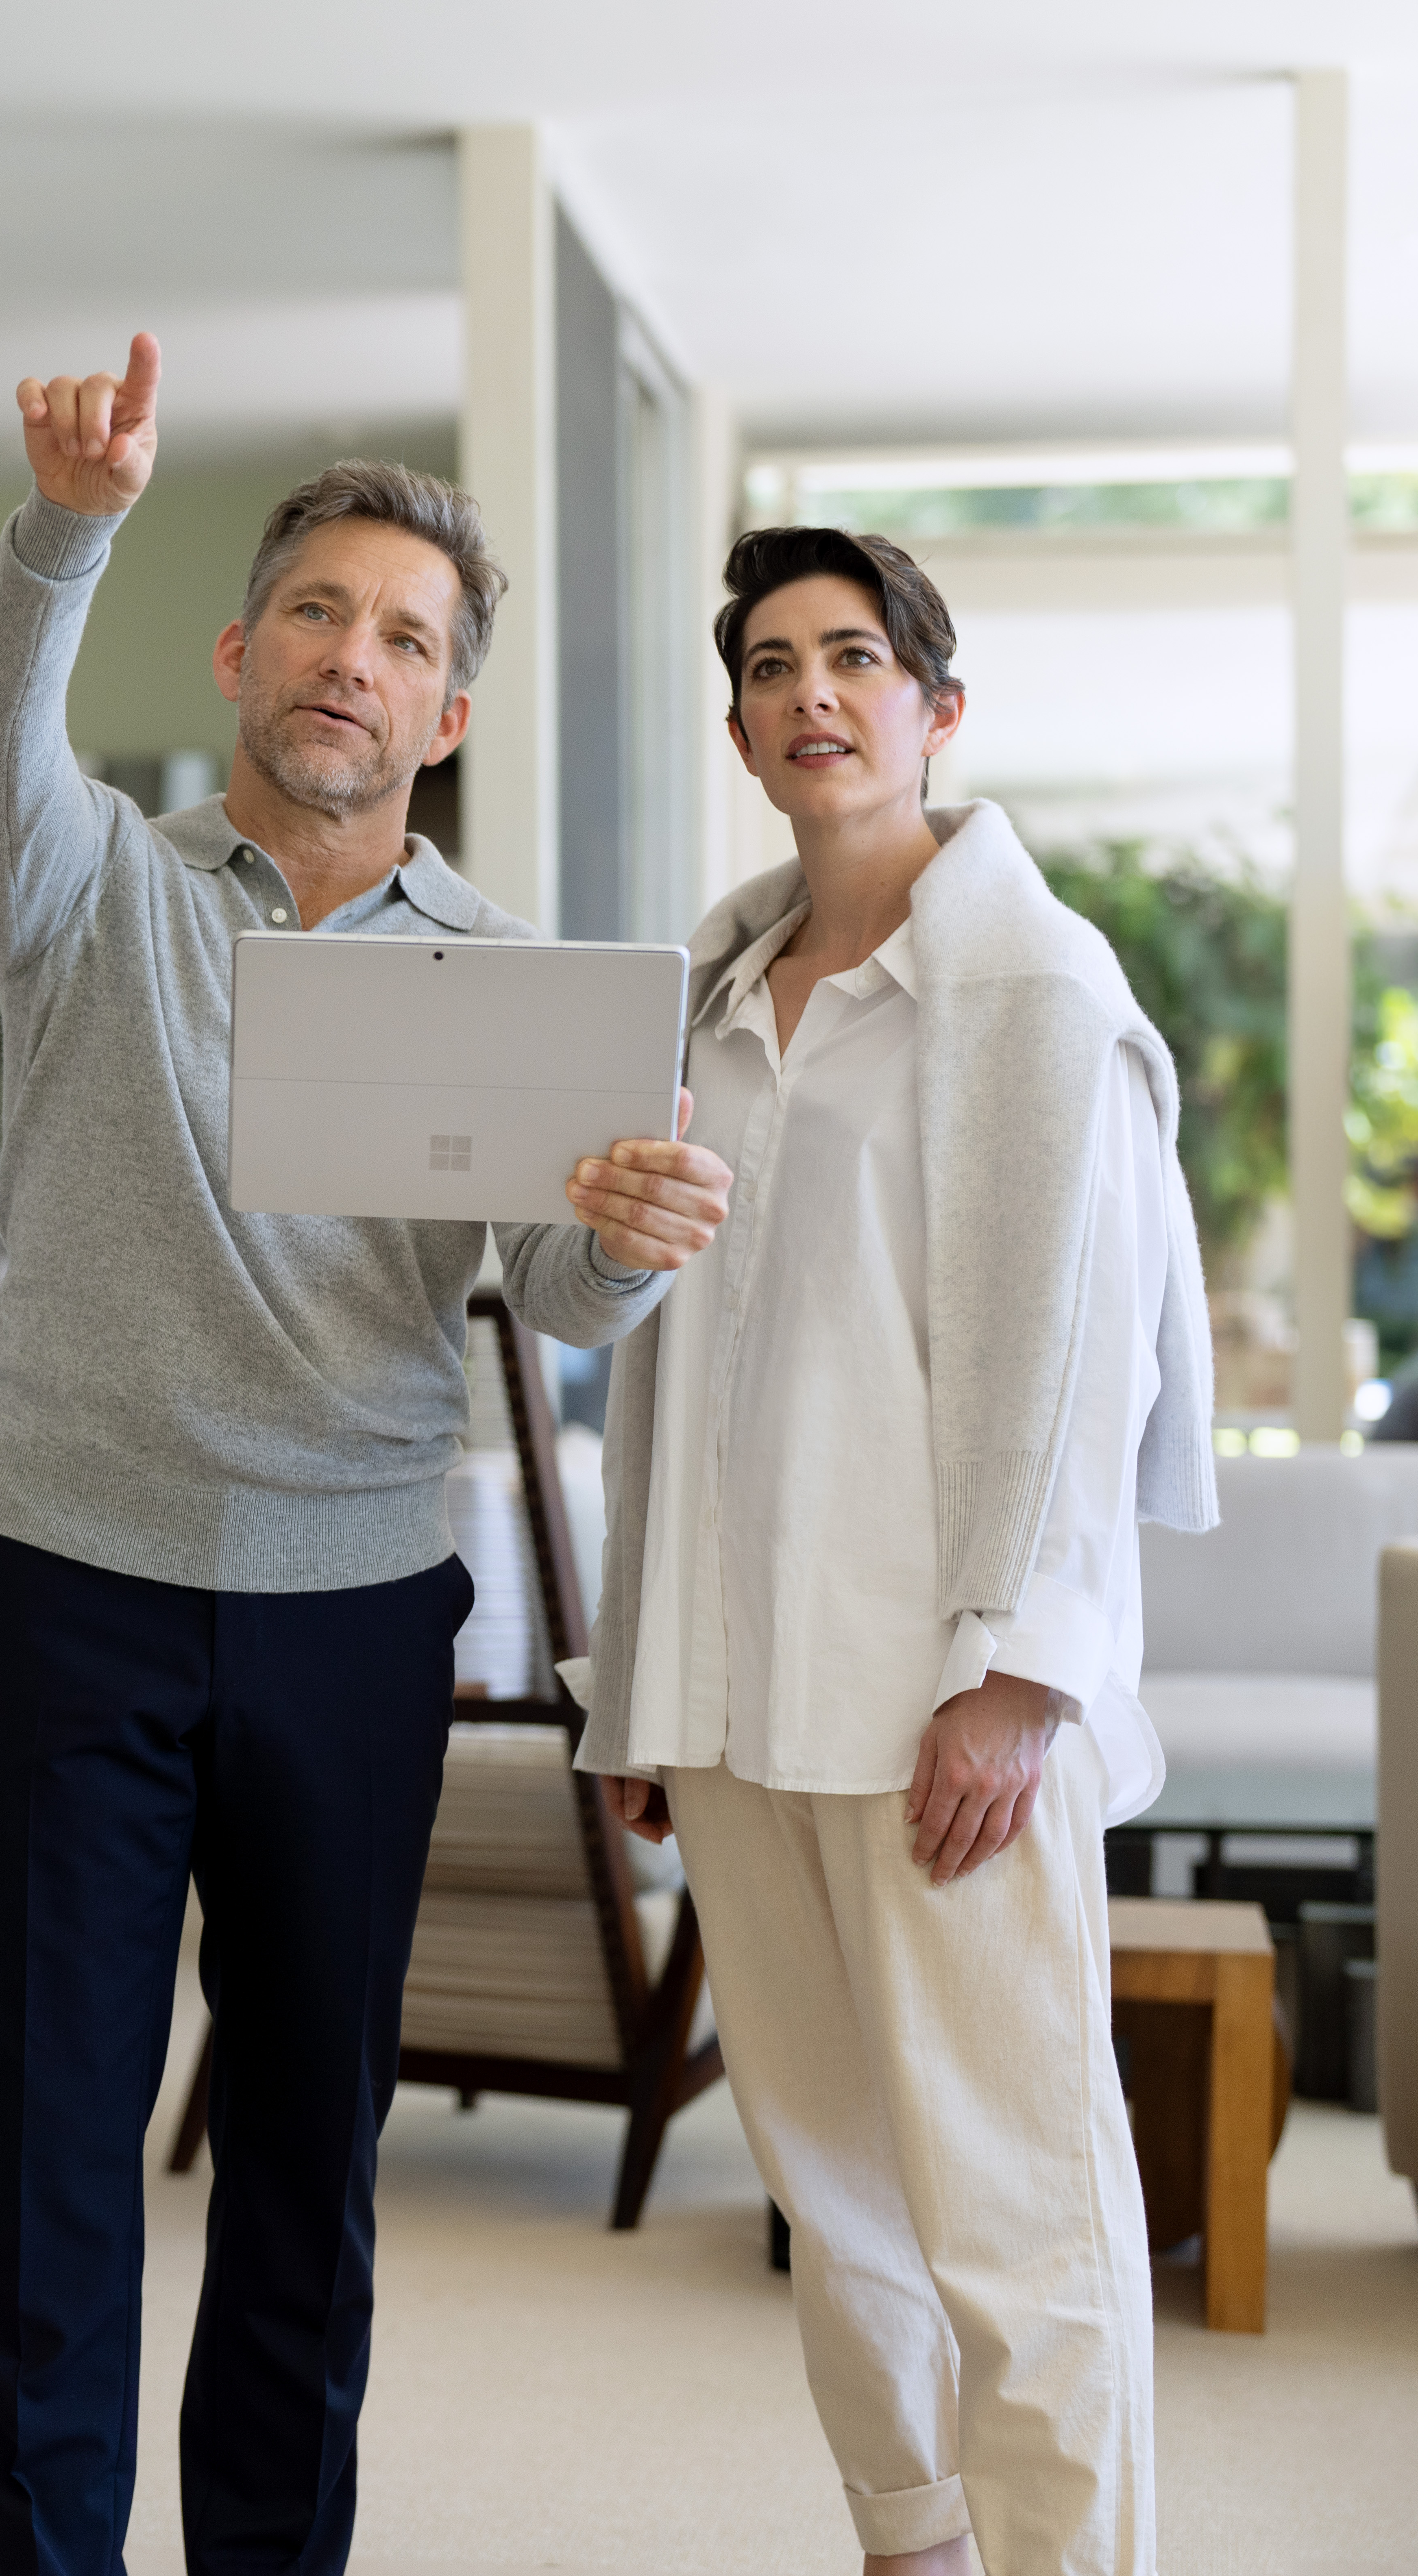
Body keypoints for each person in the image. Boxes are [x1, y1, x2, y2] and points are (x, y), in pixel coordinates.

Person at [0, 332, 734, 2576]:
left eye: (404, 640)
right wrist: (65, 522)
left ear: (445, 717)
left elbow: (551, 1309)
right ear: (241, 649)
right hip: (66, 1593)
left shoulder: (504, 980)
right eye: (318, 613)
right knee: (51, 2173)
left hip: (354, 1618)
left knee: (306, 2171)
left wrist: (632, 1246)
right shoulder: (85, 885)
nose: (353, 661)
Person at [569, 527, 1218, 2576]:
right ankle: (912, 2546)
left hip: (947, 1698)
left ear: (940, 710)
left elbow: (1082, 1355)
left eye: (857, 657)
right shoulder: (702, 995)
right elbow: (671, 1363)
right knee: (831, 2195)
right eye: (772, 664)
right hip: (744, 1695)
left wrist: (1020, 1673)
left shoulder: (1032, 990)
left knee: (1016, 2200)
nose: (812, 692)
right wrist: (647, 1676)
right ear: (747, 730)